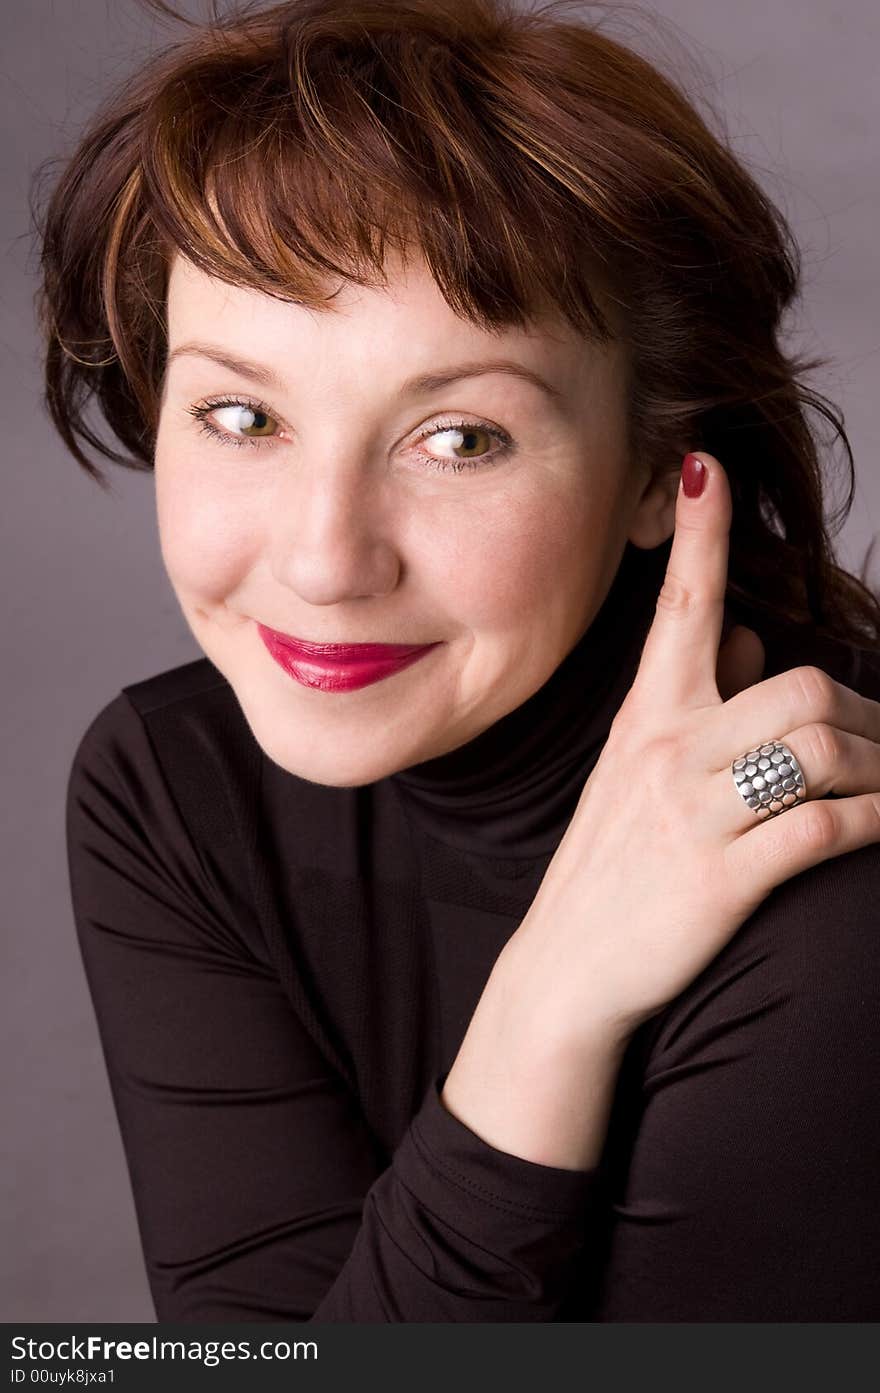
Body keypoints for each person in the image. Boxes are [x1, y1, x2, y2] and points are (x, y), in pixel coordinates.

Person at [39, 0, 880, 1320]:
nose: (326, 560)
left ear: (661, 468)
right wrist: (552, 1002)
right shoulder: (170, 788)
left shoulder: (828, 884)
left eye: (461, 438)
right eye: (244, 413)